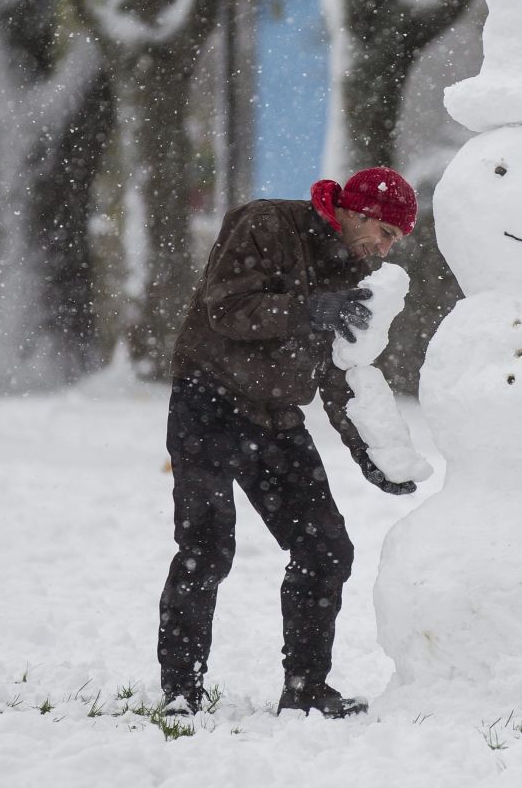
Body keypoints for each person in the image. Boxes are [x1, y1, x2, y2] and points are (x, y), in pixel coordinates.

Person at [157, 167, 418, 719]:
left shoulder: (350, 273)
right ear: (360, 211)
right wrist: (306, 310)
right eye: (388, 234)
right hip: (208, 400)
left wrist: (371, 456)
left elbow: (337, 374)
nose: (385, 249)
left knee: (326, 548)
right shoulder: (268, 223)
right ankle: (181, 690)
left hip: (274, 419)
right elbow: (225, 308)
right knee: (206, 547)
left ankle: (305, 689)